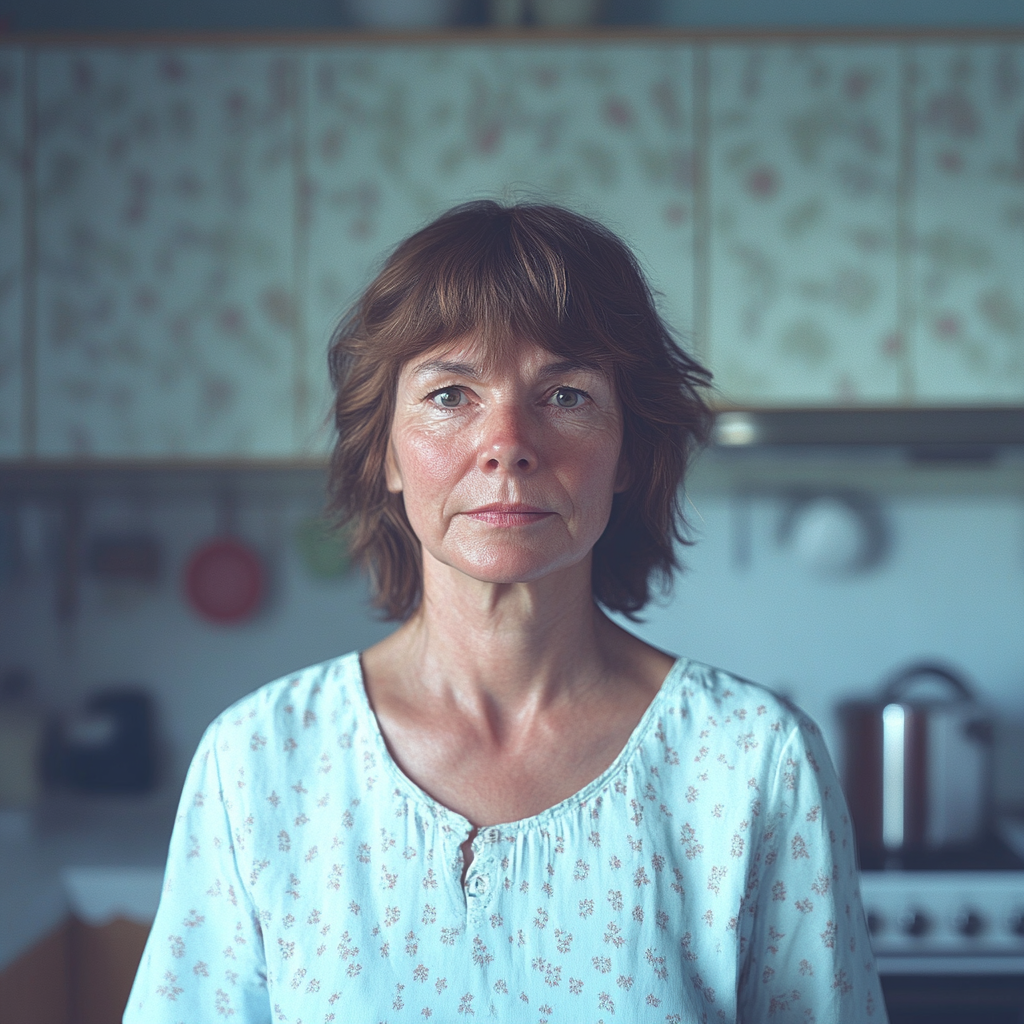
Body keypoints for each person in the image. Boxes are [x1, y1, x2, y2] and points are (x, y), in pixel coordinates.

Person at [125, 201, 885, 1023]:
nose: (508, 442)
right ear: (383, 449)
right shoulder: (257, 764)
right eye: (451, 394)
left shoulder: (753, 763)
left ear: (627, 451)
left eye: (565, 394)